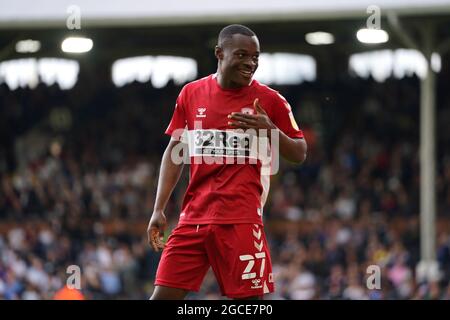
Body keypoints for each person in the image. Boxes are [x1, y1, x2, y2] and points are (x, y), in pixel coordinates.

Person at [147, 24, 307, 300]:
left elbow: (299, 153)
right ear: (219, 53)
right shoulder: (191, 94)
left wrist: (269, 129)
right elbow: (175, 151)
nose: (251, 63)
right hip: (193, 218)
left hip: (241, 219)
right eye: (242, 55)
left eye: (256, 57)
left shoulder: (270, 100)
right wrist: (159, 208)